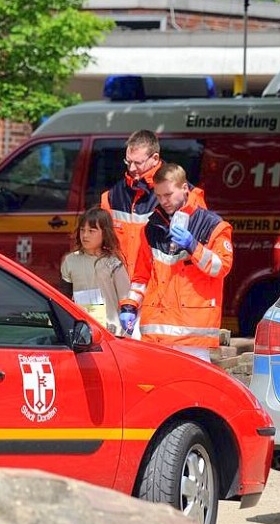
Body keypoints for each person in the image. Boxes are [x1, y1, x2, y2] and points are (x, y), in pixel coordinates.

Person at [118, 163, 234, 360]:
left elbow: (221, 268)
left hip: (193, 337)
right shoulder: (152, 227)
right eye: (159, 195)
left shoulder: (214, 225)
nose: (164, 201)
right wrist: (129, 306)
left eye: (169, 195)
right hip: (156, 334)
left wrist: (193, 246)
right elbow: (141, 277)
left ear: (184, 189)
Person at [101, 130, 205, 275]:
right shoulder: (112, 197)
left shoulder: (186, 196)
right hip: (126, 288)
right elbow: (104, 247)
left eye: (137, 163)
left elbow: (198, 252)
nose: (131, 168)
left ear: (155, 158)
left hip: (163, 287)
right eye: (128, 161)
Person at [60, 206, 132, 337]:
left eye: (91, 231)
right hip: (82, 330)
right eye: (82, 230)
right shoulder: (70, 261)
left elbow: (125, 298)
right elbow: (64, 298)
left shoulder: (113, 263)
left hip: (111, 331)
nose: (85, 235)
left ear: (105, 233)